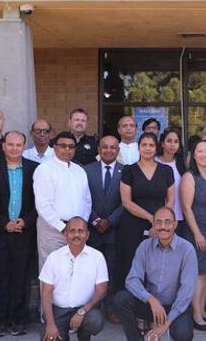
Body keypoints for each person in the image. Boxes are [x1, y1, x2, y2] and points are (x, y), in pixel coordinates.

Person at [114, 206, 199, 341]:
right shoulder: (144, 247)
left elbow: (186, 292)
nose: (163, 227)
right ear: (153, 225)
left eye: (167, 222)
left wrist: (166, 324)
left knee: (183, 334)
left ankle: (165, 328)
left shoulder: (187, 250)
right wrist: (150, 299)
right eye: (158, 222)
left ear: (175, 224)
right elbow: (132, 279)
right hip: (152, 305)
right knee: (121, 299)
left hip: (175, 307)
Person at [0, 131, 38, 337]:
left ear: (24, 146)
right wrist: (3, 223)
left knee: (20, 278)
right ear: (3, 146)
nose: (14, 148)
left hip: (24, 232)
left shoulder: (35, 169)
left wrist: (25, 221)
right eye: (11, 144)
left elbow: (39, 202)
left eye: (19, 145)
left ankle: (17, 319)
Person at [39, 217, 108, 341]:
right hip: (59, 310)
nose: (76, 235)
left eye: (80, 231)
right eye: (72, 231)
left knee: (95, 321)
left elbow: (102, 290)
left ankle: (84, 335)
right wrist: (50, 324)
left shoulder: (97, 257)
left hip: (86, 308)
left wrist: (82, 311)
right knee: (50, 337)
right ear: (66, 234)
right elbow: (46, 293)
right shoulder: (54, 257)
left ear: (87, 235)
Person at [120, 132, 175, 280]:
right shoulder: (129, 170)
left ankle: (156, 300)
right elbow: (126, 202)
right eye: (144, 145)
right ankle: (132, 299)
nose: (147, 148)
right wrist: (151, 218)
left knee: (157, 264)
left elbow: (170, 201)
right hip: (133, 224)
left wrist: (159, 223)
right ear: (138, 148)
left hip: (160, 227)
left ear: (156, 148)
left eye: (151, 145)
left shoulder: (166, 171)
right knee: (132, 263)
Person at [34, 131, 92, 271]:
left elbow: (87, 201)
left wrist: (81, 225)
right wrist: (62, 227)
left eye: (71, 146)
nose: (67, 149)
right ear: (54, 147)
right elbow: (43, 205)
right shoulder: (44, 169)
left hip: (77, 231)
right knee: (51, 271)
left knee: (75, 270)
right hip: (53, 230)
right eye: (63, 146)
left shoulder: (79, 171)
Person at [180, 140, 206, 330]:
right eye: (200, 151)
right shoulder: (190, 176)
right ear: (194, 155)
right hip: (198, 229)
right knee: (199, 273)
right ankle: (196, 314)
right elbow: (186, 208)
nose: (204, 154)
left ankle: (203, 310)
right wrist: (197, 234)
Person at [85, 135, 124, 323]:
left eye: (113, 147)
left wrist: (110, 220)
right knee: (90, 272)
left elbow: (126, 202)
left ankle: (110, 308)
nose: (109, 150)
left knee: (111, 272)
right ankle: (91, 309)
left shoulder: (126, 172)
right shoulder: (87, 170)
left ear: (118, 150)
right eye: (105, 147)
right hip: (92, 231)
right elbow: (82, 198)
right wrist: (95, 220)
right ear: (99, 149)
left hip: (114, 231)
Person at [157, 128, 188, 225]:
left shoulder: (181, 163)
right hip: (158, 217)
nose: (172, 144)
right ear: (162, 144)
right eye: (169, 141)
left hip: (179, 216)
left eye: (176, 142)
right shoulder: (154, 162)